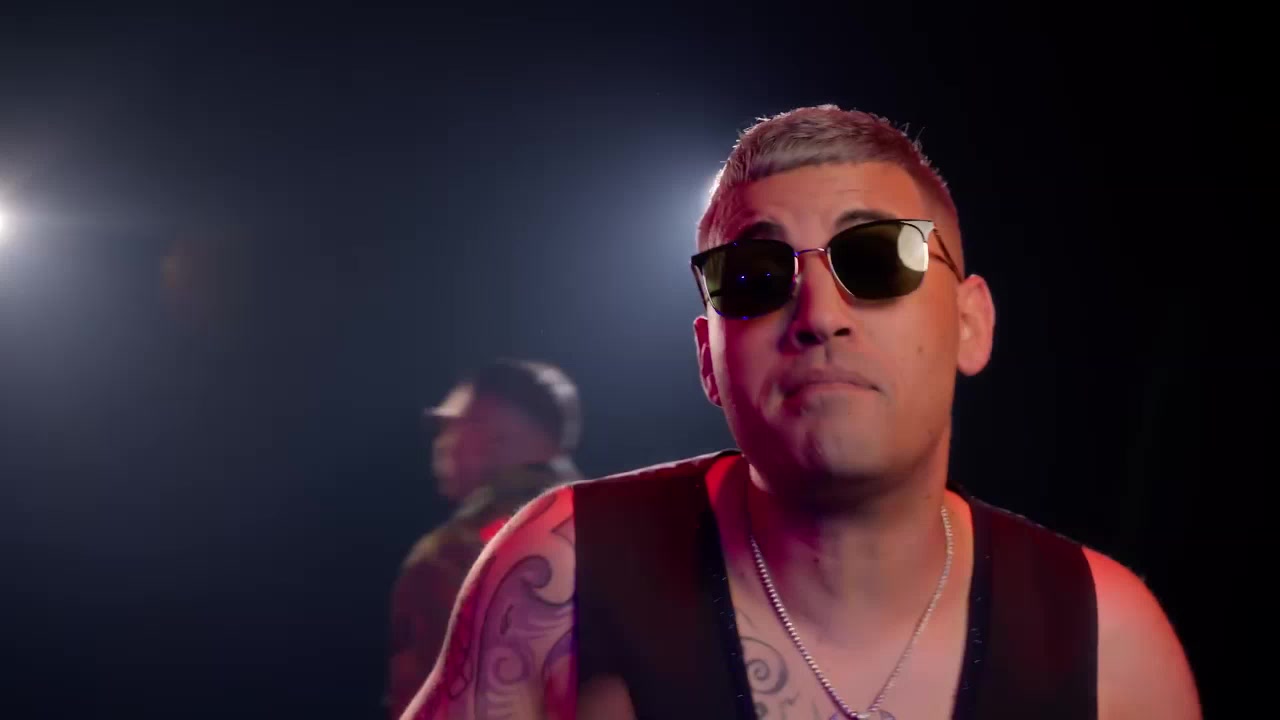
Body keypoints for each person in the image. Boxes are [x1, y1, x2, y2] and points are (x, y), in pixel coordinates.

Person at [399, 106, 1201, 720]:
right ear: (708, 358)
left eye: (878, 258)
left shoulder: (1107, 637)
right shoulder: (564, 574)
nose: (819, 314)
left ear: (970, 323)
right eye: (755, 275)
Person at [385, 358, 583, 719]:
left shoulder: (450, 557)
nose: (441, 444)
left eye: (450, 426)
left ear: (494, 435)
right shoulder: (624, 532)